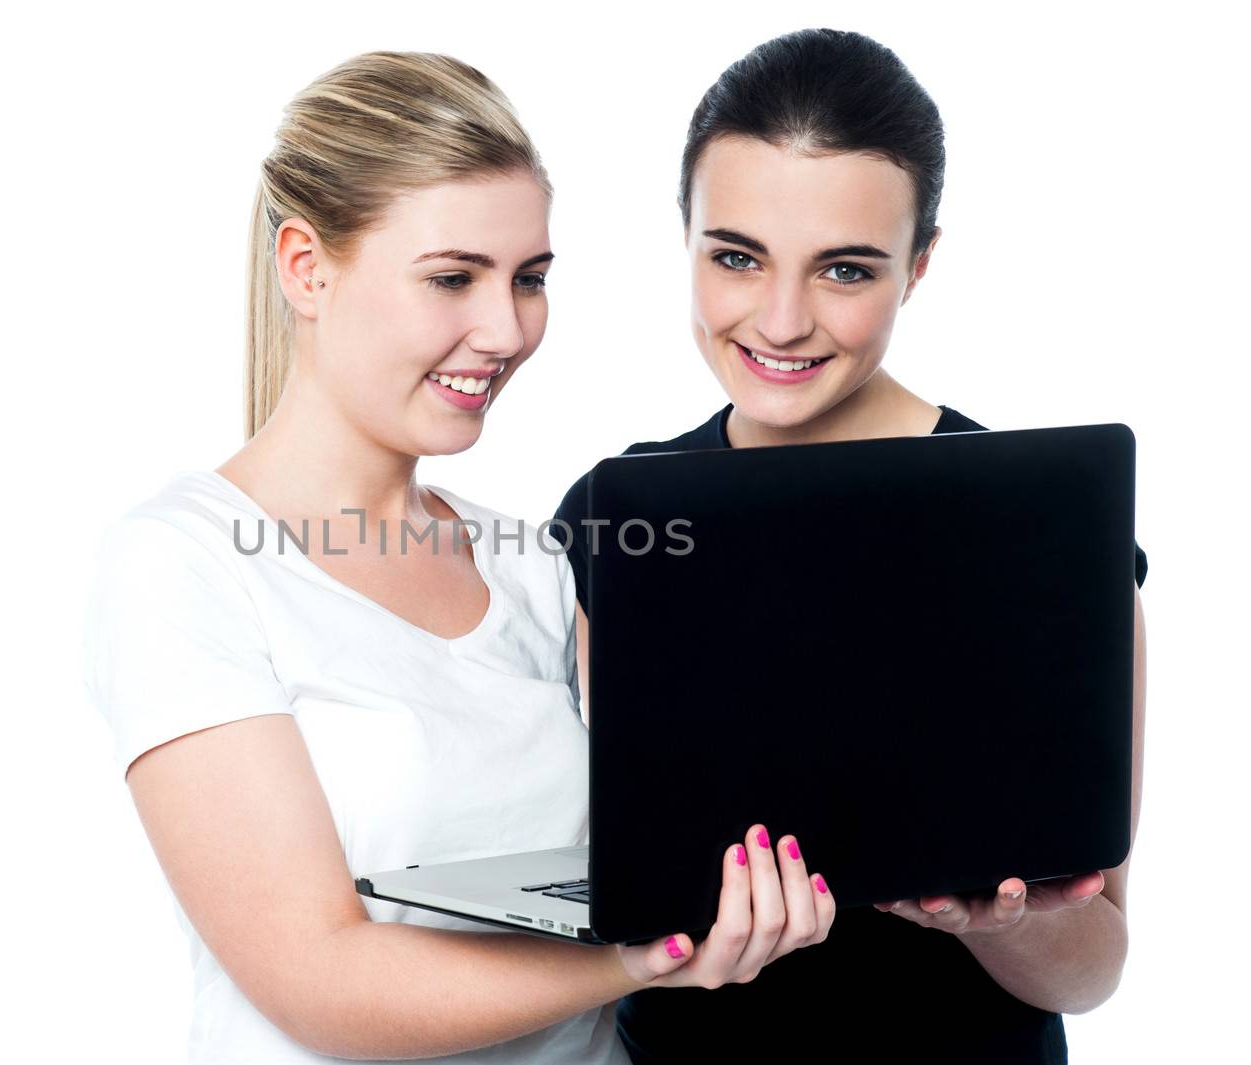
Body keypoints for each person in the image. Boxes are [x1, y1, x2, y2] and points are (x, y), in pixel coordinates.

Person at [84, 51, 838, 1063]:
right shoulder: (183, 564)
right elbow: (317, 978)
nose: (504, 329)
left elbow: (679, 824)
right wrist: (643, 958)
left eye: (529, 280)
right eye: (453, 278)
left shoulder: (532, 563)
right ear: (306, 267)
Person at [550, 28, 1149, 1064]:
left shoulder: (1039, 531)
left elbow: (1093, 969)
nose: (780, 321)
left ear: (917, 265)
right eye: (735, 257)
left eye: (843, 269)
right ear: (683, 240)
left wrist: (1002, 921)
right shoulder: (621, 517)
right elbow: (619, 887)